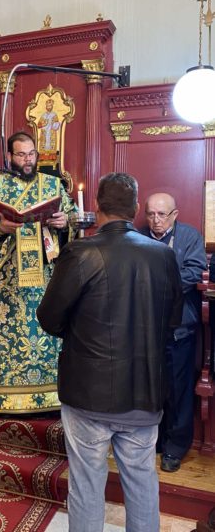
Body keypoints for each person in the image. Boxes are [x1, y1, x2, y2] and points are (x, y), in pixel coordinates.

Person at [37, 173, 183, 532]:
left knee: (86, 487)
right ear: (136, 209)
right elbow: (173, 322)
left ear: (97, 207)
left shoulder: (80, 252)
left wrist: (80, 330)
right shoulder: (164, 256)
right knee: (142, 484)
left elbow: (49, 318)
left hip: (88, 393)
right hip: (144, 392)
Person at [0, 131, 75, 414]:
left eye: (31, 154)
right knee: (7, 339)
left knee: (48, 335)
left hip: (46, 281)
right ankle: (4, 396)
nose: (28, 160)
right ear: (9, 156)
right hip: (9, 282)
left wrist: (65, 222)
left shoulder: (53, 185)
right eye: (21, 155)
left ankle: (50, 396)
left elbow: (75, 220)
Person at [141, 192, 206, 472]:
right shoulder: (138, 237)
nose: (156, 220)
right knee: (150, 389)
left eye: (162, 214)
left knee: (179, 390)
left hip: (179, 329)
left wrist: (157, 284)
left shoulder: (189, 237)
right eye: (151, 214)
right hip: (146, 329)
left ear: (175, 215)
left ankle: (175, 447)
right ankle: (154, 441)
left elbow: (194, 272)